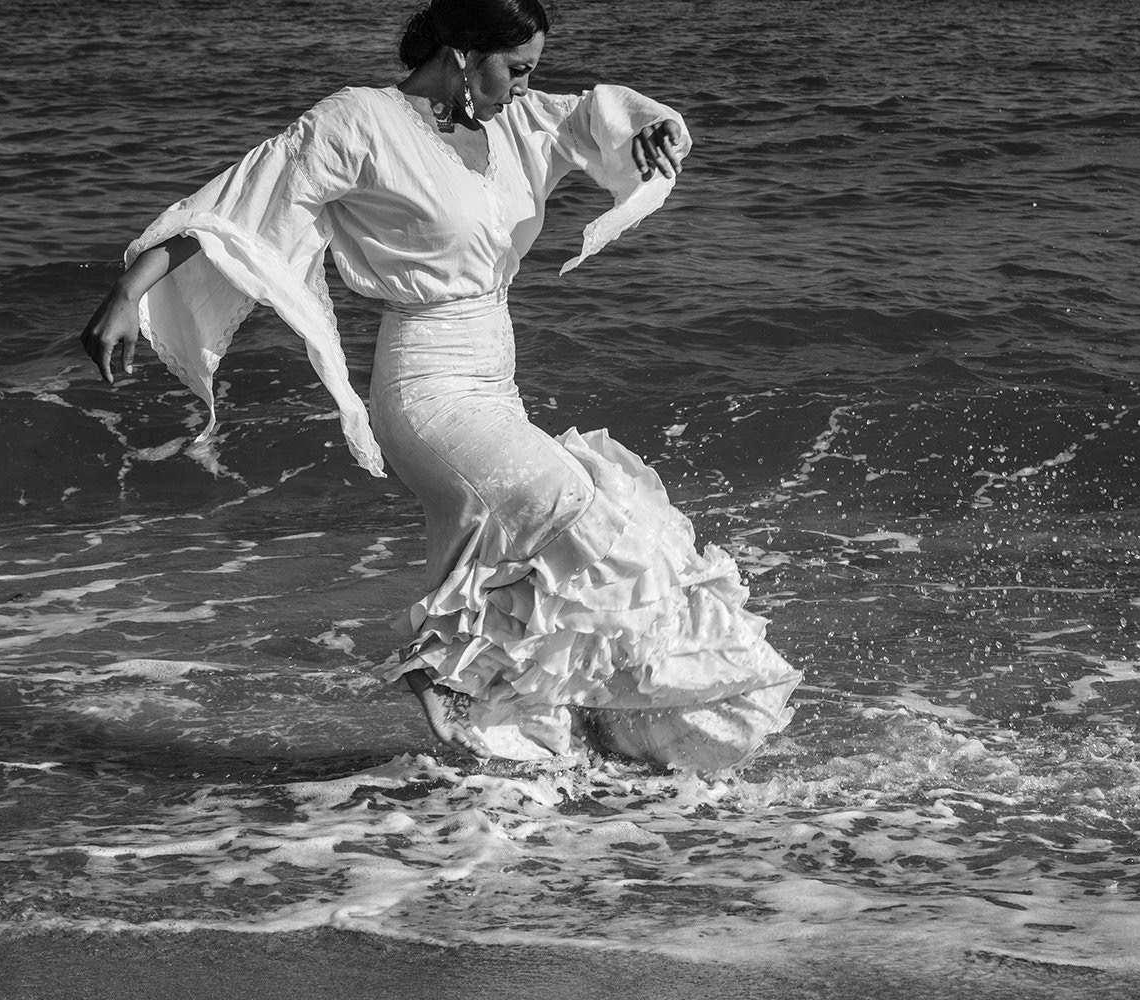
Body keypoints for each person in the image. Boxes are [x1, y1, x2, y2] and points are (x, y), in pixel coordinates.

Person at [79, 0, 799, 771]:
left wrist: (651, 129)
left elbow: (595, 118)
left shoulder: (513, 122)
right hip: (426, 386)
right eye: (516, 69)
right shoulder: (359, 122)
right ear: (462, 52)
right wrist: (129, 291)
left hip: (495, 379)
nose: (525, 88)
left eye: (533, 71)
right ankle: (435, 662)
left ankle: (582, 743)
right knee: (575, 507)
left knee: (563, 552)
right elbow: (236, 209)